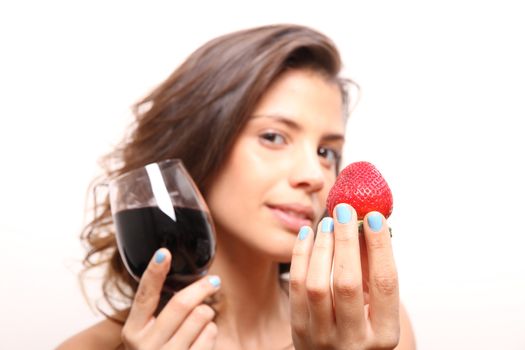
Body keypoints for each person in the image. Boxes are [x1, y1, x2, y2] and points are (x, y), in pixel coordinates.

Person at [58, 24, 416, 349]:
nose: (316, 175)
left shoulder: (369, 326)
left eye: (326, 152)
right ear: (200, 145)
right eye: (273, 137)